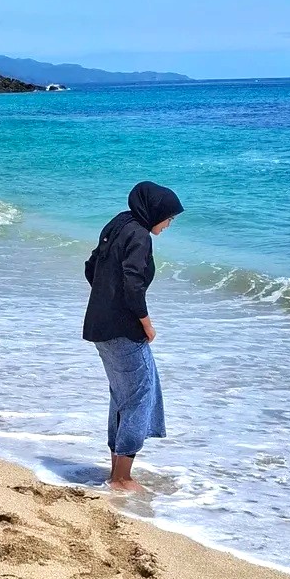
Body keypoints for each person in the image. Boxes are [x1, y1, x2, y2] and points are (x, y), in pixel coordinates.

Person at [83, 181, 184, 491]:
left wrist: (106, 300)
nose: (168, 225)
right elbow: (133, 286)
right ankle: (121, 478)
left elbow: (91, 267)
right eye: (169, 218)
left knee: (122, 397)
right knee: (140, 396)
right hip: (124, 330)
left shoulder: (119, 223)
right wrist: (147, 324)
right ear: (155, 212)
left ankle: (116, 471)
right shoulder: (140, 235)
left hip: (99, 326)